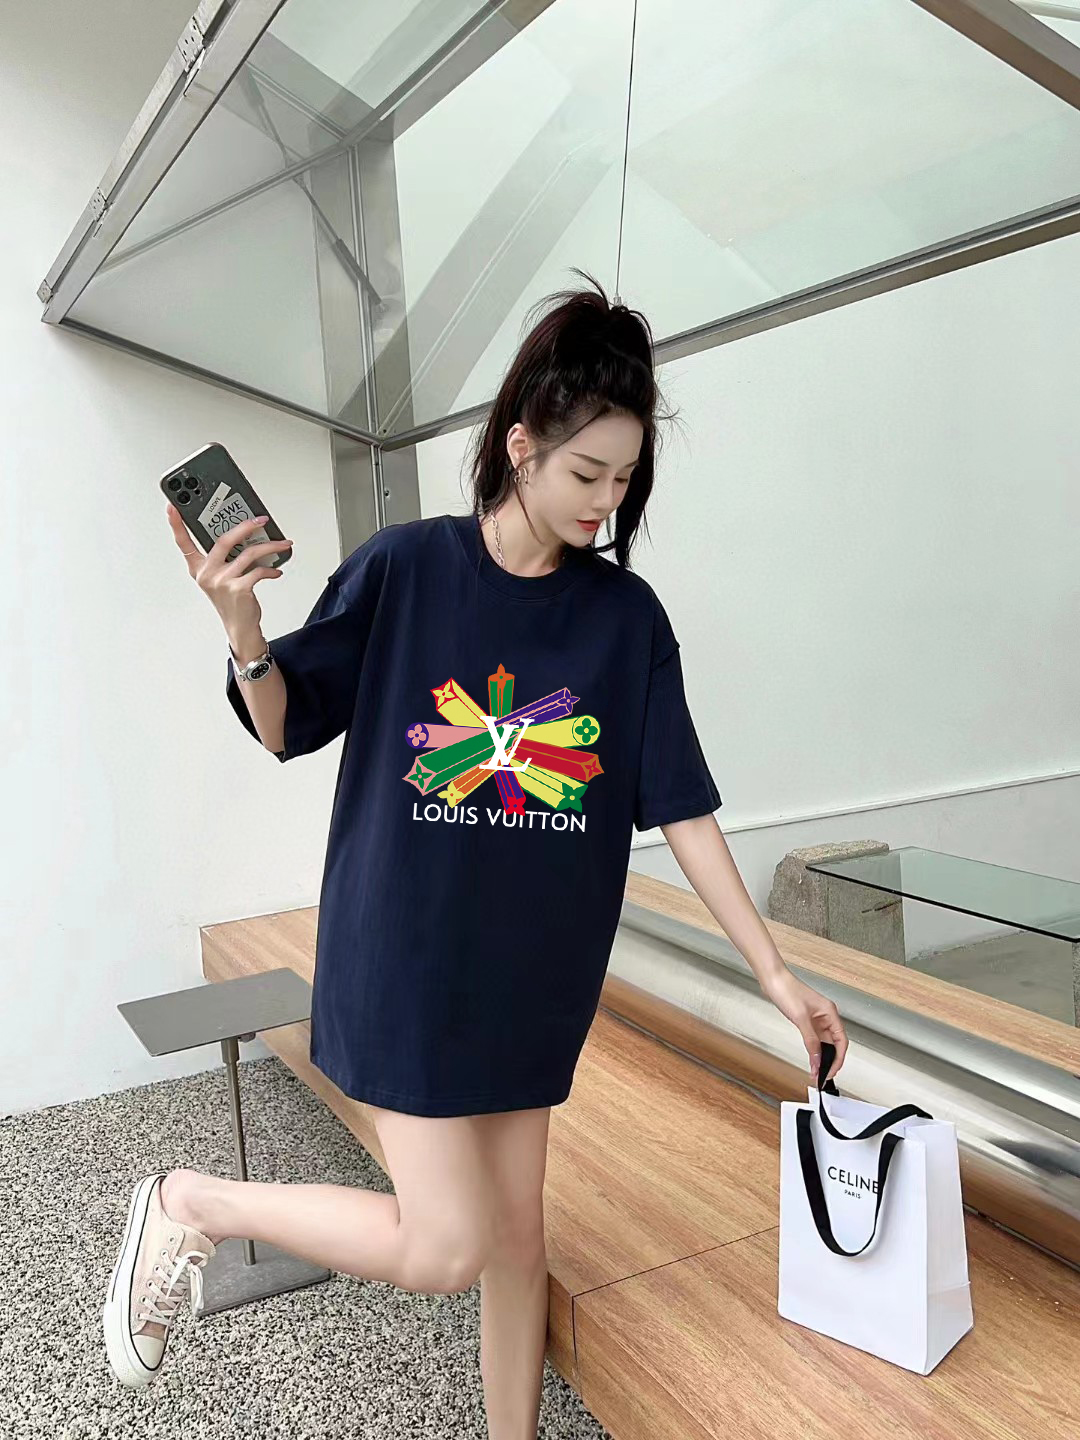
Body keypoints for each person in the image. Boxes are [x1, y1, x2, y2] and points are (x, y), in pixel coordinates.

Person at [103, 269, 848, 1432]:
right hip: (408, 960)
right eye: (586, 473)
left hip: (535, 980)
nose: (606, 502)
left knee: (518, 1243)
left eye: (625, 478)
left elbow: (682, 805)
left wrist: (775, 974)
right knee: (445, 1246)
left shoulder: (626, 621)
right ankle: (191, 1203)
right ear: (521, 447)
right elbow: (287, 722)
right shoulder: (406, 568)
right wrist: (244, 631)